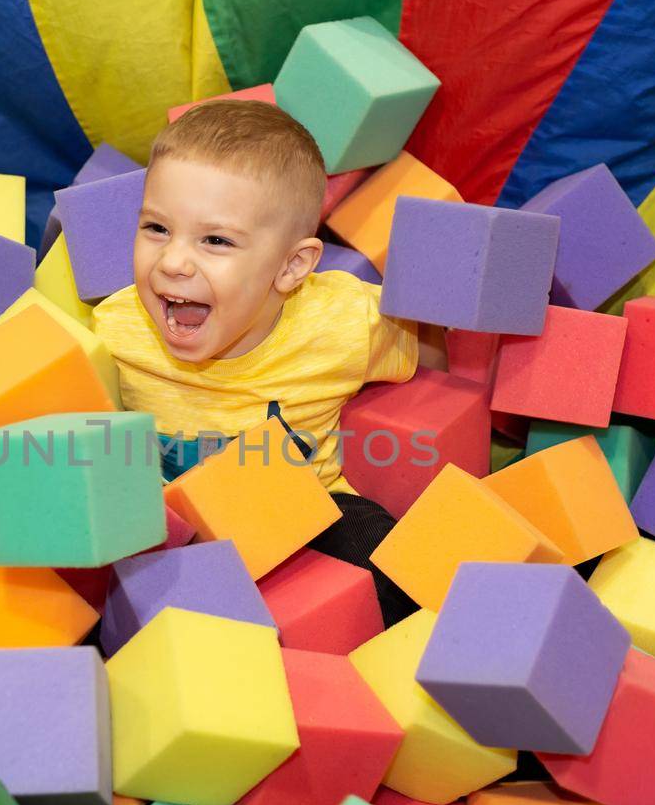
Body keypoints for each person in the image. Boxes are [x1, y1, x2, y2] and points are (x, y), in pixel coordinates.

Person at [90, 99, 448, 627]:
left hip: (310, 516)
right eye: (156, 229)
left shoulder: (344, 322)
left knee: (386, 552)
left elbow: (431, 356)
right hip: (172, 530)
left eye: (215, 240)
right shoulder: (114, 329)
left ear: (292, 266)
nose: (172, 261)